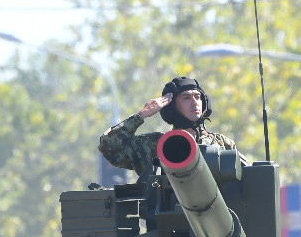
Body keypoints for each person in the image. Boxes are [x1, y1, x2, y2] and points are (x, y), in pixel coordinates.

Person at [98, 76, 237, 181]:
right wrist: (142, 115)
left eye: (198, 97)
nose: (195, 102)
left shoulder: (221, 144)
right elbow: (109, 145)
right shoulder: (155, 145)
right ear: (172, 107)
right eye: (186, 98)